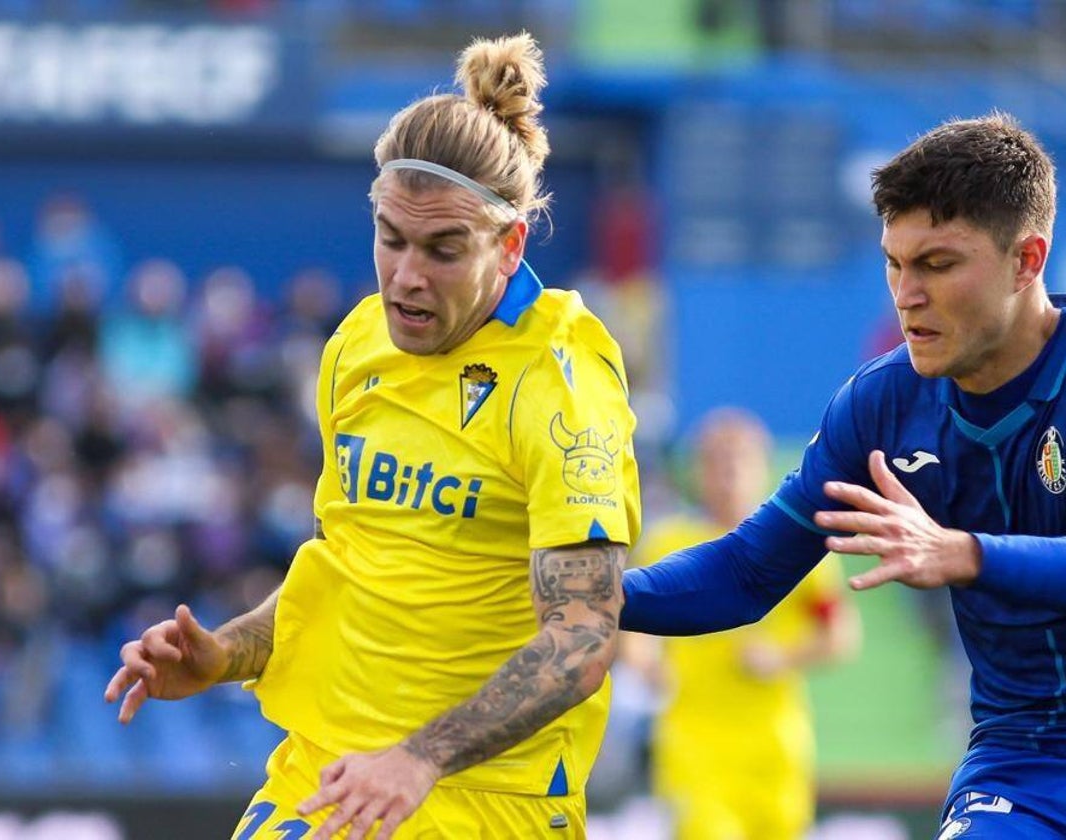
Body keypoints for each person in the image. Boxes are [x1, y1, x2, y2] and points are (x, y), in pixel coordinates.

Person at [105, 32, 641, 840]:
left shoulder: (560, 381)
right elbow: (354, 566)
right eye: (391, 237)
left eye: (443, 249)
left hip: (478, 799)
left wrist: (420, 757)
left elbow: (582, 637)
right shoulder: (357, 346)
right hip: (324, 773)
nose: (407, 276)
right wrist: (225, 653)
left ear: (510, 245)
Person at [622, 111, 1066, 838]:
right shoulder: (883, 404)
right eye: (894, 263)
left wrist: (965, 553)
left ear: (1027, 259)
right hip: (1022, 763)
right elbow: (746, 573)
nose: (906, 293)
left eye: (938, 264)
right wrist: (589, 597)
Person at [623, 407, 860, 839]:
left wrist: (780, 656)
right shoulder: (668, 543)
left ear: (761, 467)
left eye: (739, 461)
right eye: (716, 462)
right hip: (695, 742)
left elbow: (839, 636)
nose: (728, 474)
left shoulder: (798, 549)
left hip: (773, 745)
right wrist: (648, 666)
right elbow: (635, 630)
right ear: (696, 471)